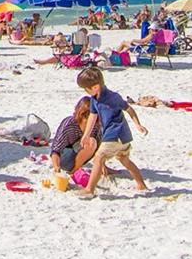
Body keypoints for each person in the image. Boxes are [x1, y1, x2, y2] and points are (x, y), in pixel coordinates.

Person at [74, 66, 147, 197]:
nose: (85, 91)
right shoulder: (94, 99)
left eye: (86, 88)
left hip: (117, 133)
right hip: (118, 136)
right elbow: (92, 116)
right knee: (124, 159)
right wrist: (86, 135)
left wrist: (138, 124)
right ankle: (141, 184)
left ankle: (90, 189)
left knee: (99, 157)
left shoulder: (113, 97)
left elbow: (129, 109)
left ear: (95, 87)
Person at [49, 98, 96, 176]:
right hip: (64, 157)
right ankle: (73, 171)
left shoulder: (96, 125)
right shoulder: (69, 124)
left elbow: (100, 148)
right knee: (90, 142)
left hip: (82, 157)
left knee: (92, 142)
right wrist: (56, 167)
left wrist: (101, 165)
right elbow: (56, 149)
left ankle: (74, 170)